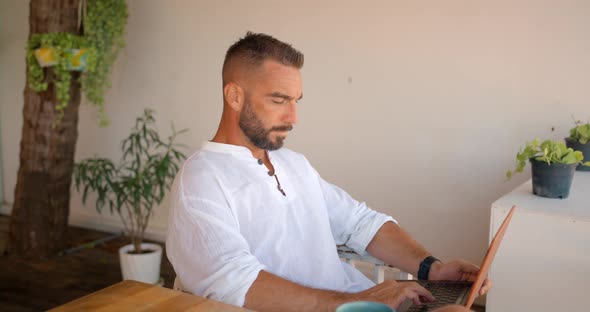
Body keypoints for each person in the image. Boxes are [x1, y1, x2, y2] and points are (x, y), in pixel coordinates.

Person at [166, 32, 490, 312]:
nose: (293, 117)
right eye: (279, 99)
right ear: (235, 96)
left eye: (296, 101)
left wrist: (433, 268)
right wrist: (357, 301)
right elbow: (233, 282)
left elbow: (361, 223)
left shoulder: (293, 164)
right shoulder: (202, 180)